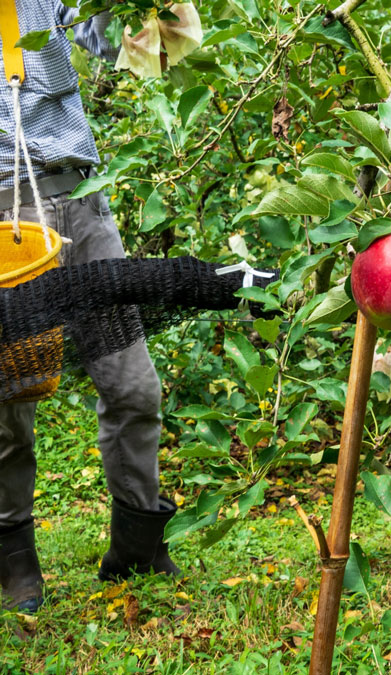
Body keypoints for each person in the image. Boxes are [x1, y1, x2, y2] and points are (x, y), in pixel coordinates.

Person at [0, 1, 180, 614]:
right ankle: (14, 557)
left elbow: (128, 44)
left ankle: (137, 545)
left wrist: (156, 11)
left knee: (133, 387)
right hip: (3, 221)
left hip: (81, 203)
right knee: (9, 403)